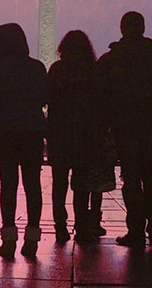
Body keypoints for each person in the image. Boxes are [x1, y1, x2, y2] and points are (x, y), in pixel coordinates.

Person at [97, 11, 152, 249]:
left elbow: (101, 99)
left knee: (131, 179)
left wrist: (105, 129)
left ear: (122, 29)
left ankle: (135, 229)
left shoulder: (110, 60)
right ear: (143, 28)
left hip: (124, 128)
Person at [0, 23, 48, 258]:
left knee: (8, 185)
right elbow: (45, 97)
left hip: (6, 132)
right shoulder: (37, 67)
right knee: (33, 185)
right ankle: (32, 237)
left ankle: (9, 237)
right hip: (31, 130)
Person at [47, 30, 109, 245]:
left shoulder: (57, 70)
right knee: (81, 184)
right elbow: (101, 102)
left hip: (60, 134)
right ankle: (81, 226)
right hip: (85, 135)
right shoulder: (92, 70)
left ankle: (60, 226)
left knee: (59, 184)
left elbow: (48, 98)